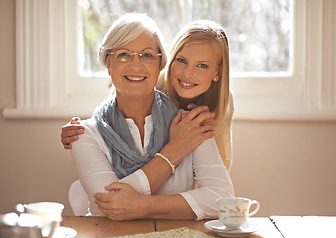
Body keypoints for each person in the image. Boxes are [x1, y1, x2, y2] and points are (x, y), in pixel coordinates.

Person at [70, 12, 234, 220]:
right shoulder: (84, 134)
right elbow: (107, 206)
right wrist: (175, 151)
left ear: (159, 65)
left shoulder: (192, 123)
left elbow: (222, 197)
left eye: (146, 55)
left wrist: (144, 205)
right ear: (107, 65)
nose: (135, 65)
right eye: (123, 54)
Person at [62, 19, 234, 170]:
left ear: (217, 72)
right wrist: (82, 133)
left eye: (202, 65)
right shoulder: (148, 82)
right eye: (181, 60)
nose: (187, 74)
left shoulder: (221, 101)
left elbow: (219, 165)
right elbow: (111, 120)